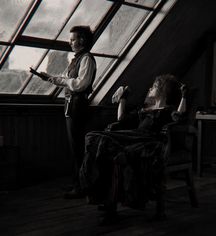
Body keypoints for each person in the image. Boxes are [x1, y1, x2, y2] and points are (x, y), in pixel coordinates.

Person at [79, 74, 186, 225]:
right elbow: (121, 118)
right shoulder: (145, 109)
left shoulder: (167, 110)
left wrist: (184, 96)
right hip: (132, 136)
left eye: (154, 86)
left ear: (163, 91)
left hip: (148, 141)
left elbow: (180, 117)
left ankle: (110, 206)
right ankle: (99, 192)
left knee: (117, 152)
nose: (150, 89)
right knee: (93, 137)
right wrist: (123, 98)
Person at [39, 26, 97, 199]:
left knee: (78, 148)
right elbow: (66, 79)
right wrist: (49, 78)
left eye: (72, 39)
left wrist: (63, 81)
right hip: (71, 106)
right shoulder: (76, 59)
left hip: (78, 106)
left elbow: (80, 84)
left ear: (82, 40)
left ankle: (80, 187)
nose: (69, 42)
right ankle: (76, 183)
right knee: (74, 148)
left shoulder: (87, 59)